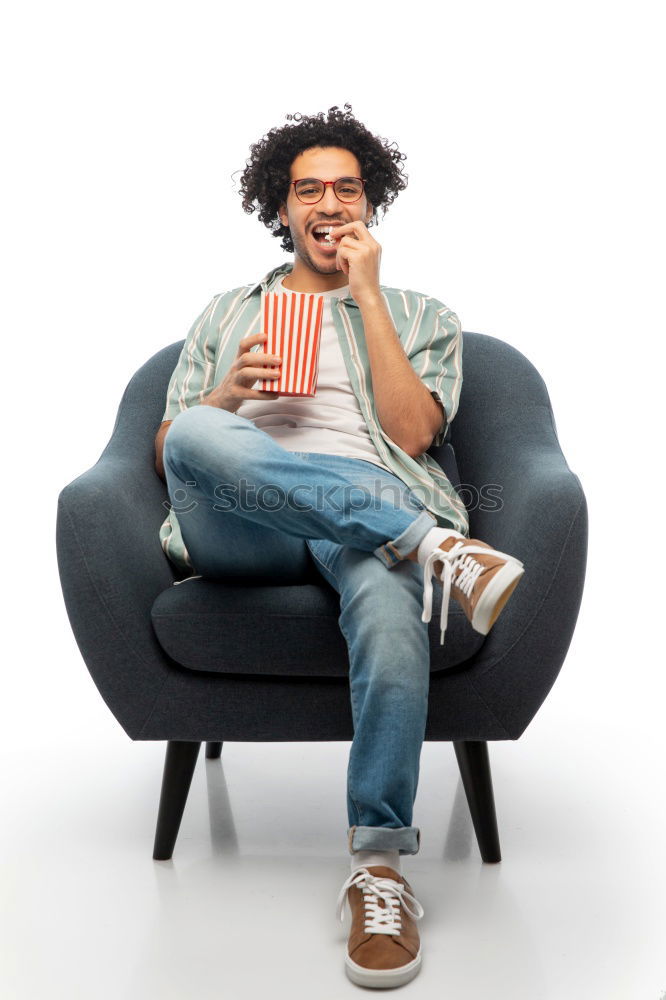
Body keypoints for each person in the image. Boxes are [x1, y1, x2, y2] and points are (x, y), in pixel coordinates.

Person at [154, 104, 524, 990]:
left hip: (370, 497)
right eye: (309, 188)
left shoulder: (421, 312)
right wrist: (228, 398)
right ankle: (433, 547)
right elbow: (173, 446)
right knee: (199, 436)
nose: (329, 201)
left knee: (390, 602)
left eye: (347, 188)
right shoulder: (230, 308)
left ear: (370, 205)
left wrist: (365, 295)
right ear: (281, 209)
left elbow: (415, 429)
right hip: (244, 517)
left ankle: (380, 869)